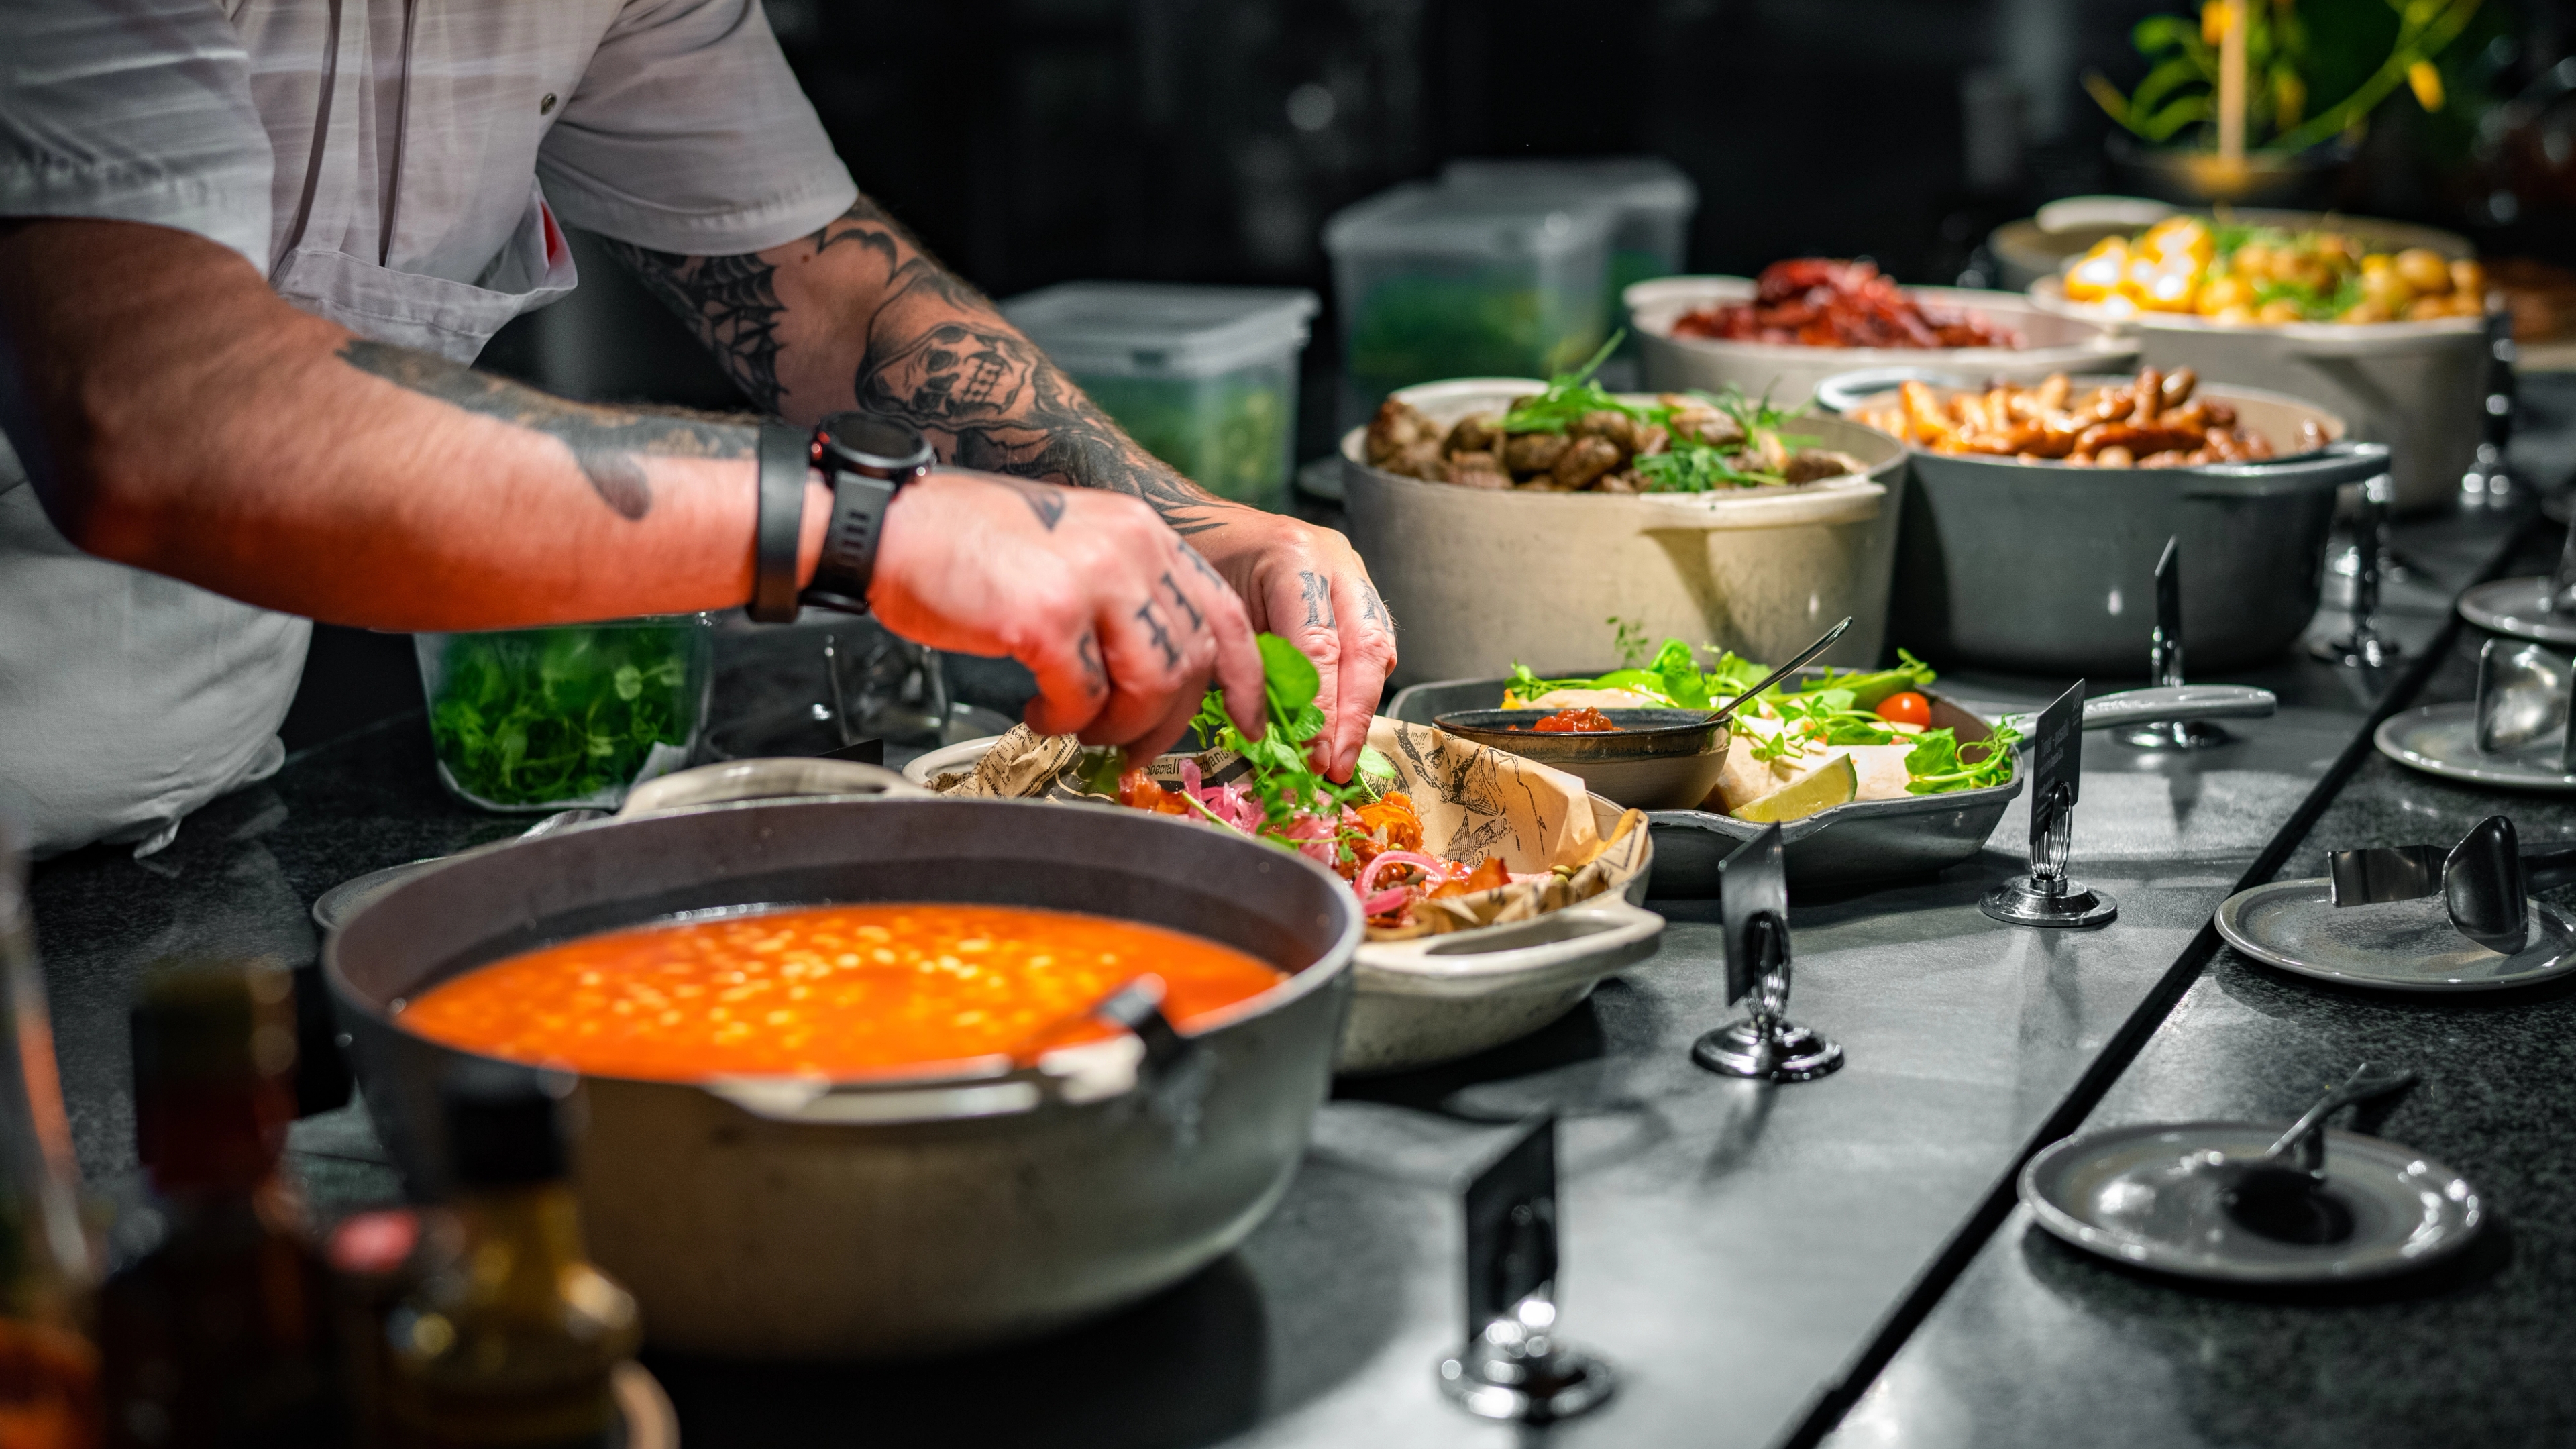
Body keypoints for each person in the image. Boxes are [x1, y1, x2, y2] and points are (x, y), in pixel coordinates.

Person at [0, 0, 1397, 859]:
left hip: (187, 835)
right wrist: (867, 521)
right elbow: (154, 408)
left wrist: (1190, 534)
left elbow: (829, 300)